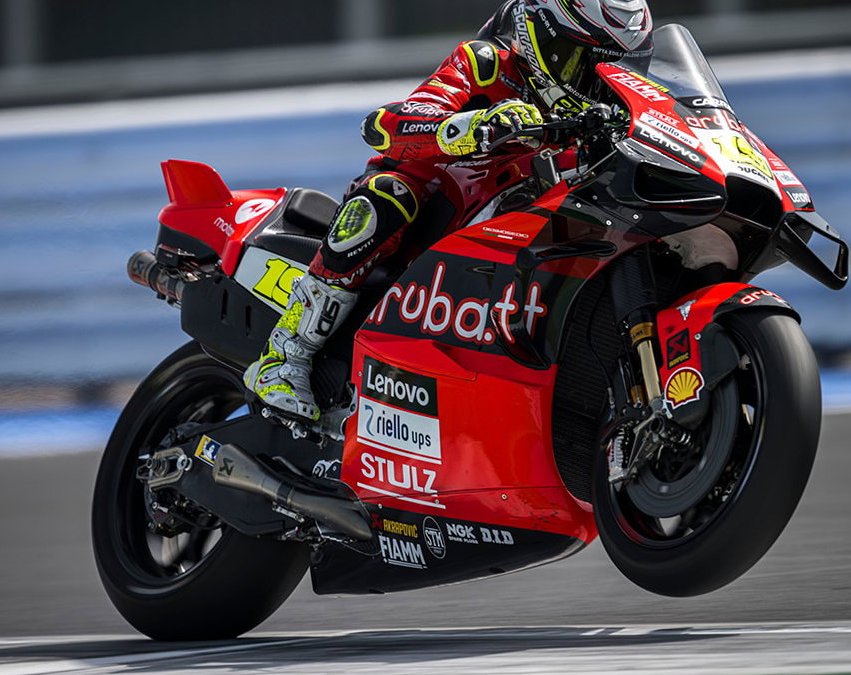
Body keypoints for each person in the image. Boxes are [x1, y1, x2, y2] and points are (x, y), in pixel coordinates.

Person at [245, 0, 655, 421]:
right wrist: (472, 126)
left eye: (620, 71)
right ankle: (285, 354)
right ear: (543, 40)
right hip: (434, 204)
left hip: (517, 238)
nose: (600, 85)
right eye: (586, 65)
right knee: (385, 201)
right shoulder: (485, 63)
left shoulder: (605, 117)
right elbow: (386, 124)